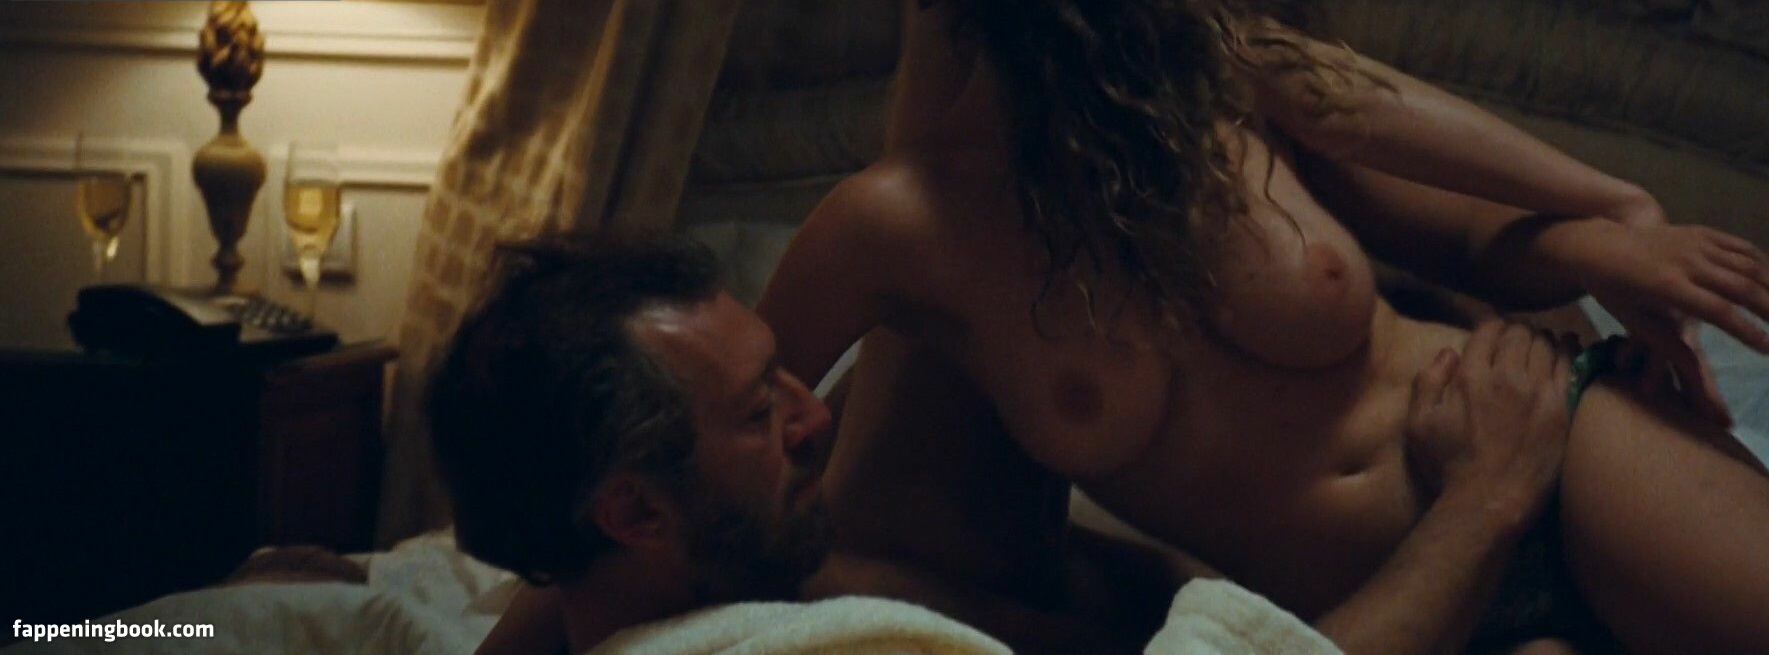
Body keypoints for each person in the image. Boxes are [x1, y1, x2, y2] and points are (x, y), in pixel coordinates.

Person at [755, 0, 1769, 652]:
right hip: (1400, 616)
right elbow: (714, 434)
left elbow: (1463, 225)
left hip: (1558, 459)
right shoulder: (895, 224)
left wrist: (1616, 245)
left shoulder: (1221, 73)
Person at [435, 234, 1589, 654]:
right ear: (636, 512)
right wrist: (1486, 497)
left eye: (788, 373)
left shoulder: (663, 575)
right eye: (756, 414)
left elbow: (569, 580)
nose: (811, 416)